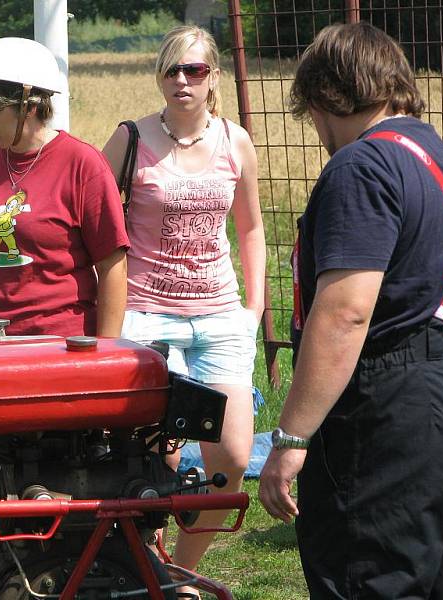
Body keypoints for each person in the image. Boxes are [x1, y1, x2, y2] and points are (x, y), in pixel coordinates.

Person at [258, 22, 443, 599]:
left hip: (385, 407)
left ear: (324, 98)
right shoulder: (439, 158)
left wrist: (291, 440)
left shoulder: (361, 167)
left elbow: (345, 313)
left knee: (368, 575)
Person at [102, 25, 265, 579]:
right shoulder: (130, 139)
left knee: (233, 457)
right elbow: (98, 227)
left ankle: (183, 574)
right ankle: (147, 564)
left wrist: (255, 307)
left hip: (220, 313)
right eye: (171, 70)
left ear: (212, 76)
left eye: (193, 70)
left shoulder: (235, 140)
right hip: (147, 314)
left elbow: (251, 227)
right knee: (159, 456)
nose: (181, 80)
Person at [0, 37, 129, 337]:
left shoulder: (82, 164)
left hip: (55, 348)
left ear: (28, 104)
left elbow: (113, 266)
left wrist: (105, 352)